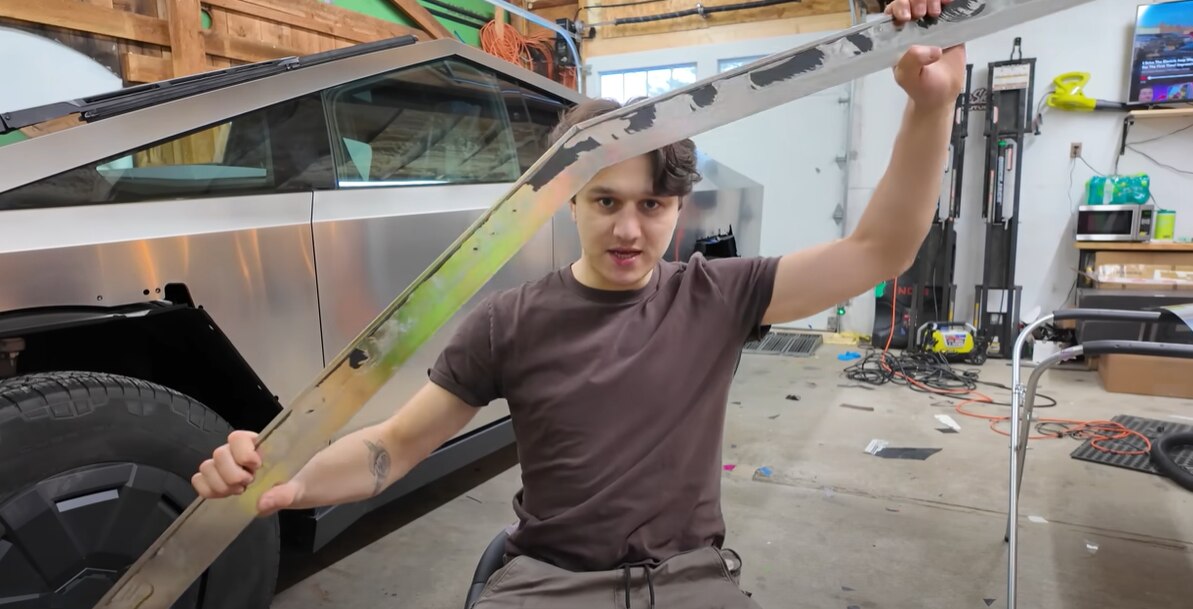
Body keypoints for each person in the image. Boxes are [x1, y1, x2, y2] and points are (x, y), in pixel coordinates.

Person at [192, 0, 965, 605]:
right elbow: (390, 446)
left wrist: (929, 107)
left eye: (652, 206)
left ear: (678, 209)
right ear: (567, 200)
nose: (628, 229)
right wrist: (285, 484)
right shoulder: (511, 321)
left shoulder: (717, 296)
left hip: (689, 579)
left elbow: (877, 251)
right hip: (545, 583)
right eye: (604, 201)